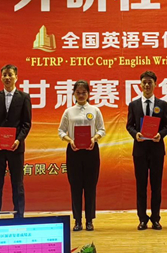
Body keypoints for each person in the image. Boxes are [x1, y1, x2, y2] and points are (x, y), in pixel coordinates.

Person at [126, 70, 167, 230]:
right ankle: (142, 219)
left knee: (156, 186)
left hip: (156, 150)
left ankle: (155, 218)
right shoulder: (133, 105)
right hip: (139, 151)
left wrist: (161, 134)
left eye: (150, 82)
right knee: (141, 186)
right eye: (144, 82)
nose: (147, 85)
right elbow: (129, 125)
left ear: (155, 84)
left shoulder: (162, 104)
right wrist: (135, 134)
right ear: (140, 85)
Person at [0, 64, 32, 219]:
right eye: (4, 75)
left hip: (15, 148)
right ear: (1, 77)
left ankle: (19, 217)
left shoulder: (24, 97)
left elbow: (26, 123)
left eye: (10, 75)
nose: (7, 78)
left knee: (17, 184)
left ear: (16, 77)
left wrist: (19, 139)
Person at [58, 80, 106, 232]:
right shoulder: (69, 112)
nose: (81, 95)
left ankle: (89, 220)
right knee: (76, 187)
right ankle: (77, 220)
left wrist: (94, 138)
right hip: (74, 152)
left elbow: (102, 129)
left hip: (91, 151)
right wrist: (70, 140)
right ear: (73, 94)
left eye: (84, 92)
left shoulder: (95, 110)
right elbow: (61, 131)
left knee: (90, 187)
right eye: (78, 93)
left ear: (88, 94)